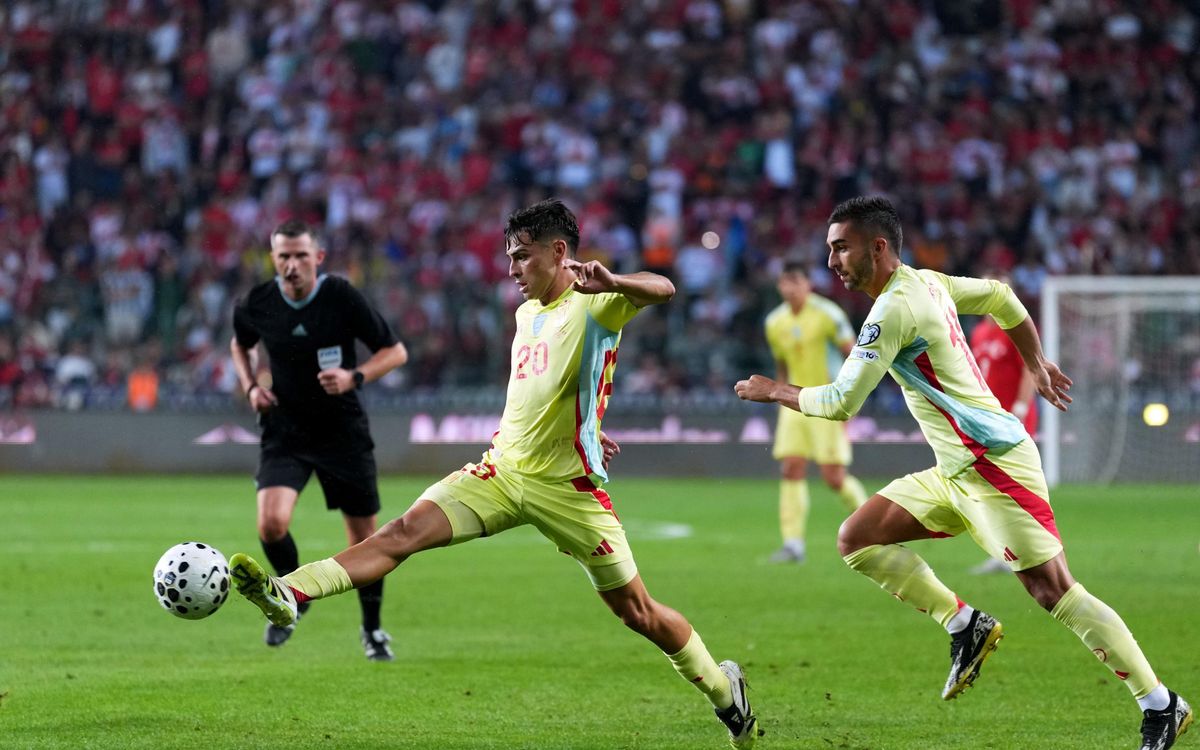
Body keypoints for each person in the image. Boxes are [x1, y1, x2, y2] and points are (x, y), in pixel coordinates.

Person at [228, 199, 759, 748]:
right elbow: (544, 391)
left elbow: (664, 287)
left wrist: (615, 279)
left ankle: (726, 694)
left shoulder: (598, 301)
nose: (511, 270)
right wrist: (589, 424)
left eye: (522, 257)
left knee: (638, 612)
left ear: (559, 253)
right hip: (500, 472)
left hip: (567, 489)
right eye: (509, 256)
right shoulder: (525, 314)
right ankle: (290, 592)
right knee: (401, 533)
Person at [735, 196, 1191, 749]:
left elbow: (840, 402)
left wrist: (772, 390)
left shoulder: (893, 310)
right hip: (955, 469)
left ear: (877, 248)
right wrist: (1035, 361)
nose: (831, 260)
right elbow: (1001, 296)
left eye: (840, 247)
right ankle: (963, 625)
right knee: (857, 538)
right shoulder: (925, 281)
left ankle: (1160, 704)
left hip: (995, 466)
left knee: (1053, 591)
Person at [230, 219, 409, 660]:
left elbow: (395, 352)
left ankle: (372, 630)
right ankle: (293, 593)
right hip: (285, 430)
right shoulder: (258, 302)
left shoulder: (341, 297)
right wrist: (251, 386)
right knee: (270, 524)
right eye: (283, 256)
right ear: (273, 259)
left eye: (300, 256)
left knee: (364, 540)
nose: (291, 265)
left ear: (318, 258)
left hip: (342, 432)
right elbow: (241, 344)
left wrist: (354, 377)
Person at [763, 257, 867, 563]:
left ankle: (872, 528)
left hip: (827, 400)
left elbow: (856, 354)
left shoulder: (828, 314)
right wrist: (778, 397)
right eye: (786, 281)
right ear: (780, 285)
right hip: (792, 404)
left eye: (797, 281)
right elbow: (781, 365)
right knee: (791, 468)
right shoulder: (774, 322)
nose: (791, 288)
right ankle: (793, 544)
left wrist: (851, 397)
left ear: (808, 284)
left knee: (833, 477)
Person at [967, 276, 1039, 575]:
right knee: (990, 487)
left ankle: (1028, 551)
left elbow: (1030, 370)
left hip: (1012, 418)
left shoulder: (1016, 327)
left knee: (1014, 486)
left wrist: (1020, 407)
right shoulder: (980, 331)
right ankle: (1006, 552)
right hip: (986, 420)